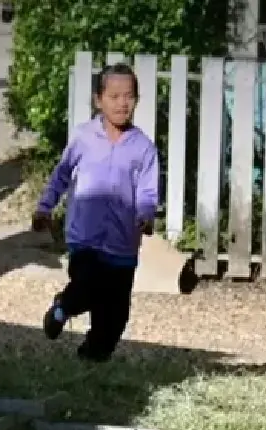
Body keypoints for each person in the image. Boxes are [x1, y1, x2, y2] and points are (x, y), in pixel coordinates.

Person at [35, 63, 161, 363]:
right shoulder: (83, 137)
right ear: (98, 100)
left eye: (128, 96)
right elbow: (61, 175)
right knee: (87, 287)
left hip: (122, 243)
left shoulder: (143, 148)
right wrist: (45, 206)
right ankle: (62, 308)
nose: (122, 103)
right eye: (114, 96)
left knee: (115, 315)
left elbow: (147, 190)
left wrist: (145, 214)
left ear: (137, 100)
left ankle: (91, 360)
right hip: (86, 237)